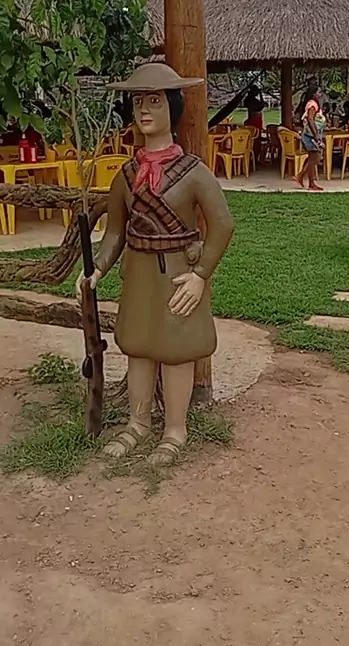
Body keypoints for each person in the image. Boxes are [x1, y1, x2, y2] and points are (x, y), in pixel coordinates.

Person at [76, 63, 234, 465]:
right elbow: (115, 231)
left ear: (172, 107)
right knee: (139, 346)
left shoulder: (194, 173)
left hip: (179, 273)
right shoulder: (126, 175)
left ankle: (175, 429)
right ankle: (138, 422)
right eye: (138, 102)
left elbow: (222, 224)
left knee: (177, 349)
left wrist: (200, 276)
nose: (144, 109)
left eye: (154, 101)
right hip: (139, 273)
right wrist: (97, 268)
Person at [296, 86, 325, 191]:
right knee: (315, 158)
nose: (320, 94)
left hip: (310, 135)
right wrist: (316, 134)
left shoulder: (313, 104)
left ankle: (302, 177)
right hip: (310, 136)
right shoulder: (312, 104)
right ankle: (309, 182)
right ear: (314, 94)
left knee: (312, 158)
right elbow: (310, 119)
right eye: (319, 92)